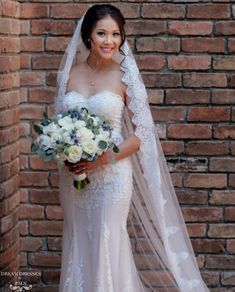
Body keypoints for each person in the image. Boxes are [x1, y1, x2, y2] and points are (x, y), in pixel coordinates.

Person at [55, 4, 210, 292]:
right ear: (88, 35)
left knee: (107, 236)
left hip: (112, 176)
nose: (109, 41)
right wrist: (66, 155)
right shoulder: (69, 75)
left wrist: (103, 159)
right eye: (101, 33)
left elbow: (143, 134)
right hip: (75, 176)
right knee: (78, 236)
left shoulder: (125, 76)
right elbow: (59, 126)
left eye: (115, 34)